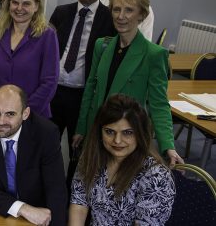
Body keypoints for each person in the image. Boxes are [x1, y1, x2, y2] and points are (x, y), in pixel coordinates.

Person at [72, 0, 184, 166]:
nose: (121, 16)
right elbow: (90, 90)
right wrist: (81, 128)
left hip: (126, 137)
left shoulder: (154, 54)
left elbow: (159, 103)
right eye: (116, 9)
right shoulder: (102, 45)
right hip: (97, 130)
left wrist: (168, 146)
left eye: (129, 10)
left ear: (141, 15)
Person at [49, 0, 117, 184]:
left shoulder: (110, 18)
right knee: (47, 145)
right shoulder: (61, 12)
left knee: (79, 151)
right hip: (54, 92)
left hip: (83, 96)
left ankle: (73, 199)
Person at [0, 84, 67, 226]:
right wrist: (21, 208)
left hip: (37, 214)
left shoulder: (46, 133)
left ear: (25, 114)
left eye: (10, 114)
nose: (1, 121)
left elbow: (56, 190)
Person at [69, 94, 175, 225]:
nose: (117, 140)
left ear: (140, 134)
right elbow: (79, 204)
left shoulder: (157, 176)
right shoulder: (91, 156)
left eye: (127, 133)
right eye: (109, 131)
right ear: (99, 132)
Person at [0, 0, 59, 118]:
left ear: (36, 6)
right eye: (15, 2)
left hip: (33, 114)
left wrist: (23, 113)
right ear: (8, 4)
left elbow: (49, 81)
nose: (19, 8)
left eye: (26, 3)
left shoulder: (47, 35)